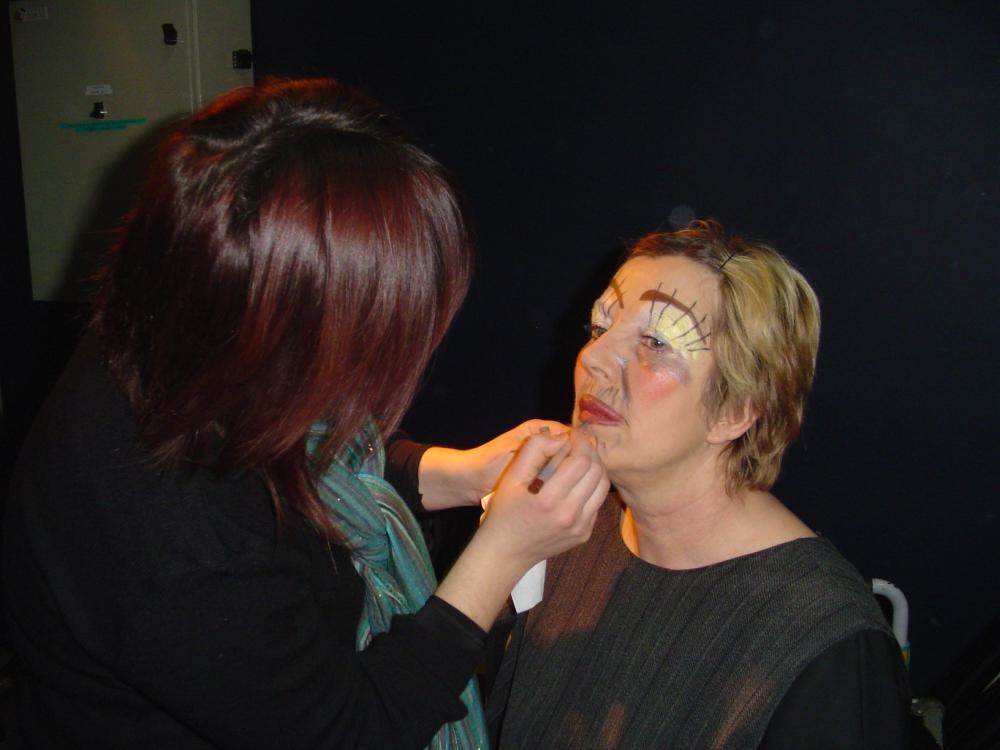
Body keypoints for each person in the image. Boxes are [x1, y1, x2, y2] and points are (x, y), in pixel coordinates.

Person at [2, 78, 608, 749]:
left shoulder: (174, 328)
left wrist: (457, 475)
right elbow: (356, 730)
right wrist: (501, 553)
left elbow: (305, 458)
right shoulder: (178, 542)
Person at [488, 220, 913, 749]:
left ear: (735, 409)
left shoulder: (825, 644)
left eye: (655, 342)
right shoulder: (563, 529)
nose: (592, 358)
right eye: (600, 327)